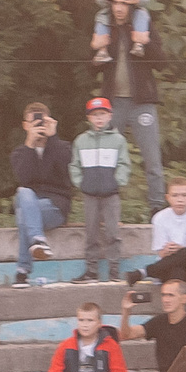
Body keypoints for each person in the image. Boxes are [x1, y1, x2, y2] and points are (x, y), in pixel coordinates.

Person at [92, 0, 165, 217]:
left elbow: (163, 62)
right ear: (111, 5)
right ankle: (109, 209)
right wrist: (95, 58)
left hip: (142, 102)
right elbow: (89, 67)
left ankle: (157, 208)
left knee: (152, 159)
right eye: (116, 4)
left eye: (124, 4)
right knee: (108, 157)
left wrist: (146, 42)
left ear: (131, 5)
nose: (119, 9)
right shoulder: (106, 28)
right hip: (114, 105)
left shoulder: (143, 24)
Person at [10, 103, 74, 286]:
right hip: (31, 203)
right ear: (25, 125)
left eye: (42, 122)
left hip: (55, 207)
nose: (39, 126)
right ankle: (38, 240)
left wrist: (52, 138)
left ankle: (22, 271)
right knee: (23, 192)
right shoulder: (19, 153)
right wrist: (30, 145)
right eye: (34, 122)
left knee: (24, 215)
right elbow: (24, 178)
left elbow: (66, 173)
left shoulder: (62, 147)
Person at [72, 97, 127, 282]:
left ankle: (114, 271)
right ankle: (91, 271)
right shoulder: (81, 141)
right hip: (90, 195)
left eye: (102, 114)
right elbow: (74, 165)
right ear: (89, 118)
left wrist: (117, 182)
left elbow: (124, 164)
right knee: (91, 233)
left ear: (110, 115)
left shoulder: (118, 140)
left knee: (113, 233)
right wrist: (81, 183)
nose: (99, 118)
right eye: (95, 115)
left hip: (111, 195)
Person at [124, 276, 186, 372]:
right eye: (163, 295)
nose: (166, 300)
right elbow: (127, 335)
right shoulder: (159, 321)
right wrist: (126, 311)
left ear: (184, 299)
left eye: (171, 295)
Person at [143, 177, 186, 287]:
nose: (180, 200)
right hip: (169, 264)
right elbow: (161, 253)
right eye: (175, 195)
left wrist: (179, 249)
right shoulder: (159, 218)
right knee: (176, 272)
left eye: (184, 195)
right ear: (168, 198)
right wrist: (167, 251)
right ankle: (145, 273)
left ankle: (146, 272)